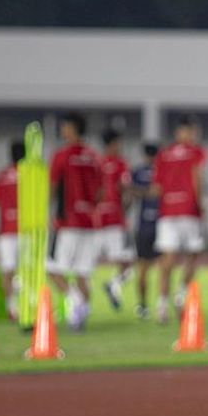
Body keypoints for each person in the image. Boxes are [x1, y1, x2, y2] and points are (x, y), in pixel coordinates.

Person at [47, 112, 103, 332]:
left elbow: (53, 186)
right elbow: (100, 192)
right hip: (89, 222)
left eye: (64, 126)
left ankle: (76, 303)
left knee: (52, 269)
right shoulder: (93, 156)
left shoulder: (62, 155)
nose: (62, 130)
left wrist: (49, 213)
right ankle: (80, 316)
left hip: (68, 222)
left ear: (72, 128)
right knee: (82, 273)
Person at [151, 115, 207, 324]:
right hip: (188, 211)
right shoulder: (196, 152)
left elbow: (156, 188)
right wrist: (200, 202)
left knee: (167, 259)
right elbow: (197, 176)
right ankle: (180, 294)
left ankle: (162, 305)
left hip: (167, 211)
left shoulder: (164, 155)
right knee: (193, 254)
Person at [97, 128, 135, 312]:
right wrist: (125, 209)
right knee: (128, 265)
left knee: (83, 266)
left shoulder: (96, 162)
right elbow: (126, 189)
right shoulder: (120, 163)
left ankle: (76, 301)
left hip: (95, 221)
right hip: (114, 220)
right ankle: (114, 284)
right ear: (113, 143)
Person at [0, 141, 25, 320]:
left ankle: (12, 308)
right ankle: (26, 303)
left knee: (7, 270)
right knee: (27, 269)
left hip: (6, 229)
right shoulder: (30, 175)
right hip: (27, 230)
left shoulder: (2, 176)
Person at [130, 143, 160, 320]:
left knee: (142, 267)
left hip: (143, 225)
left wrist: (143, 192)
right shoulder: (163, 170)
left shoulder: (137, 172)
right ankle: (162, 304)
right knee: (164, 267)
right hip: (161, 224)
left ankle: (142, 305)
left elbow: (130, 191)